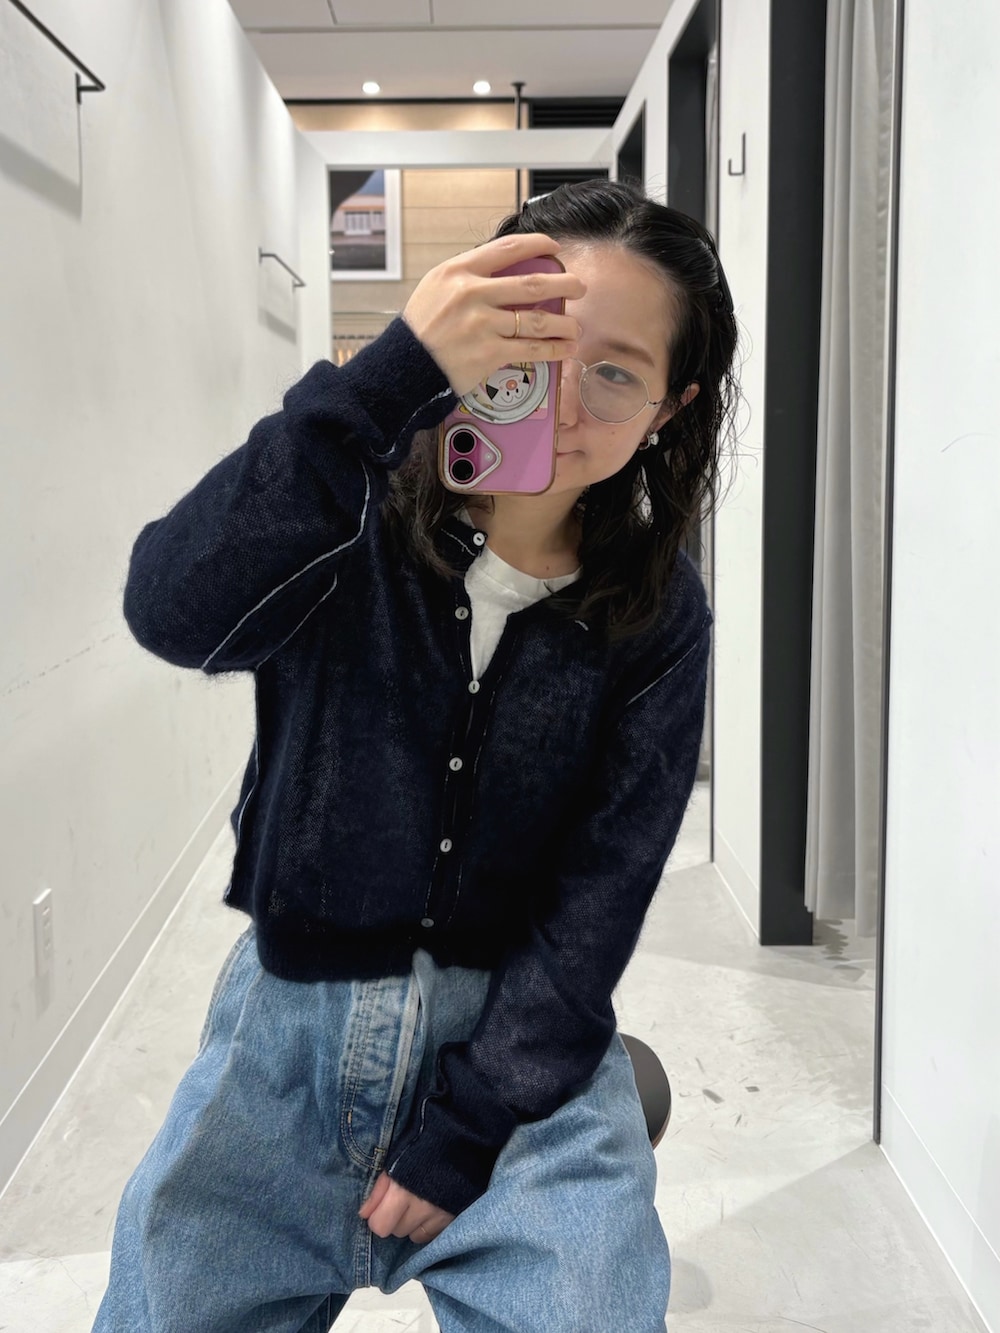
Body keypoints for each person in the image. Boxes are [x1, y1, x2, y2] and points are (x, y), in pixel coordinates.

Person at [94, 178, 739, 1333]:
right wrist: (385, 378)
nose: (561, 400)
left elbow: (599, 892)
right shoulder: (342, 510)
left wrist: (473, 1123)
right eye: (532, 344)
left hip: (522, 1067)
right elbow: (171, 611)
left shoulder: (658, 610)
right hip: (287, 1036)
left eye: (615, 373)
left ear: (669, 408)